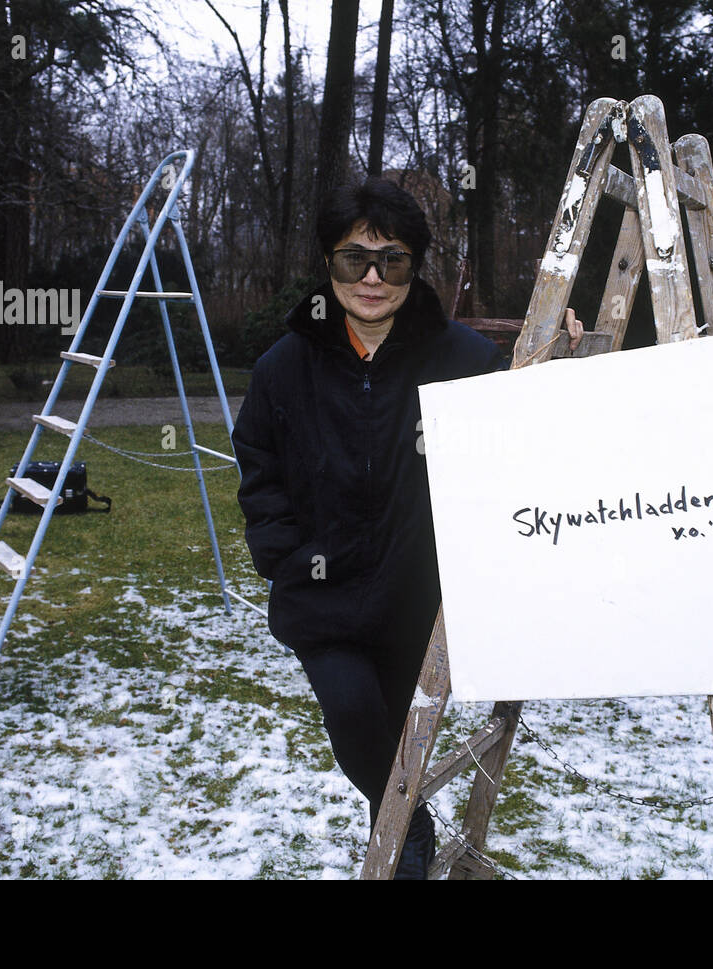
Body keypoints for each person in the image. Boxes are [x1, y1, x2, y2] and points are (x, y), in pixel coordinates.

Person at [232, 176, 581, 877]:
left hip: (414, 599)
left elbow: (525, 426)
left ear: (414, 265)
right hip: (323, 599)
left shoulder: (462, 360)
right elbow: (258, 464)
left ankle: (395, 854)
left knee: (397, 741)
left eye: (390, 259)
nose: (370, 277)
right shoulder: (284, 367)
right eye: (351, 259)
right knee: (356, 718)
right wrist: (283, 553)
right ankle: (411, 826)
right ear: (326, 265)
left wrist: (563, 358)